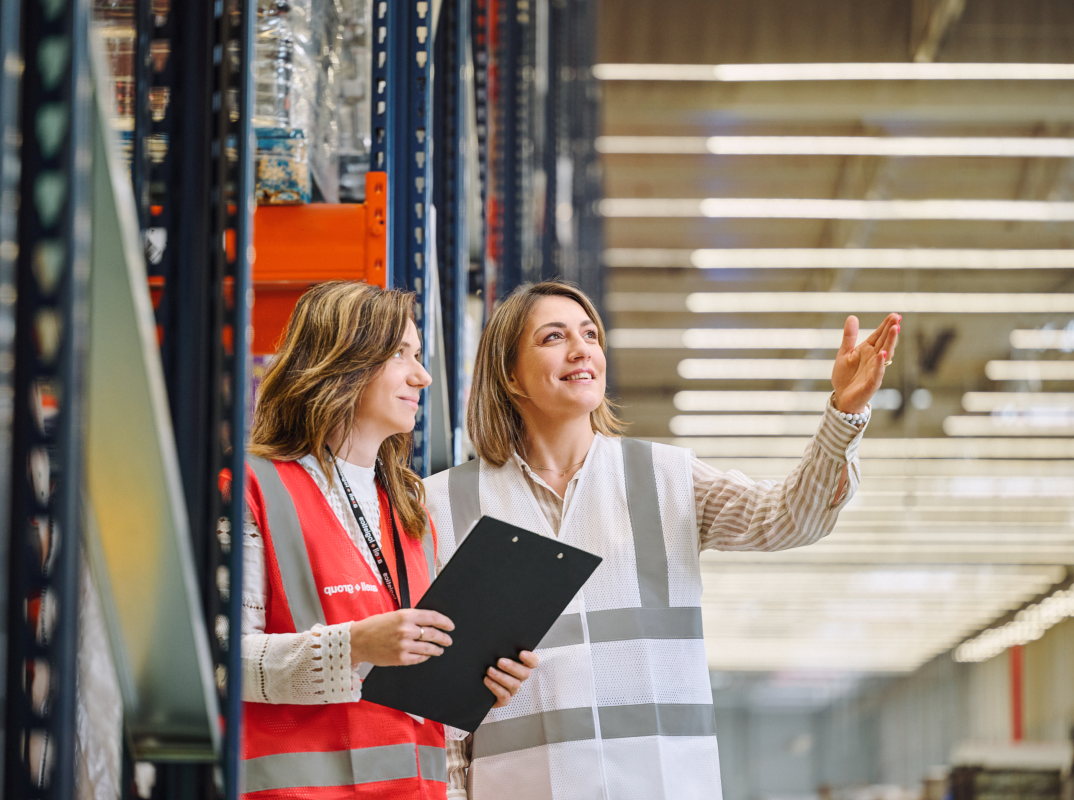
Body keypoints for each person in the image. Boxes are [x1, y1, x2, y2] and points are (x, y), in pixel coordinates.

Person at [424, 281, 900, 800]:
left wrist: (843, 417)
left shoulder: (665, 478)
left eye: (590, 334)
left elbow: (789, 517)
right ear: (510, 375)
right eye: (553, 337)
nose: (582, 349)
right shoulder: (447, 503)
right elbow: (438, 705)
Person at [240, 281, 538, 799]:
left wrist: (471, 682)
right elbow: (220, 666)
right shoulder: (252, 487)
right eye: (400, 354)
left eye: (418, 355)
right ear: (342, 361)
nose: (421, 376)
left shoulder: (408, 508)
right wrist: (354, 645)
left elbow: (407, 688)